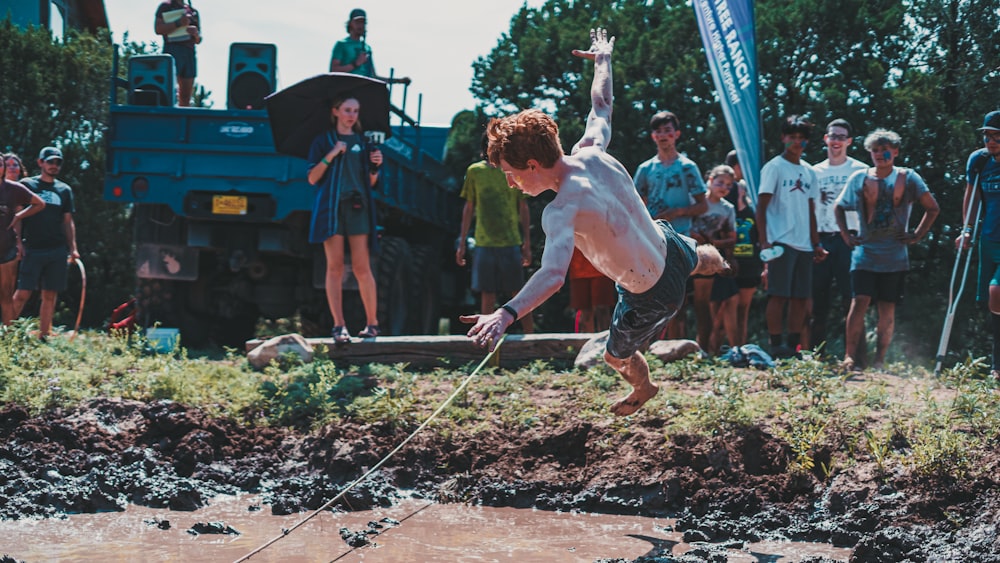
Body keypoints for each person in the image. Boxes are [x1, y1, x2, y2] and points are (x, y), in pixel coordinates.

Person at [462, 28, 728, 416]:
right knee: (697, 259)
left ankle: (645, 387)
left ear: (533, 165)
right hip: (668, 244)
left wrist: (506, 313)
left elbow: (553, 276)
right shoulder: (591, 151)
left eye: (511, 172)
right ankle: (719, 262)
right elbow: (601, 105)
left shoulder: (561, 210)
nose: (510, 182)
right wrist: (603, 60)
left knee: (615, 357)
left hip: (650, 294)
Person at [835, 129, 939, 370]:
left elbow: (932, 208)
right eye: (875, 150)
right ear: (869, 152)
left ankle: (879, 361)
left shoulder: (909, 178)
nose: (880, 155)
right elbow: (839, 207)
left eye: (885, 150)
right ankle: (849, 357)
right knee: (858, 301)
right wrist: (845, 234)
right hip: (865, 253)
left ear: (895, 151)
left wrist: (916, 235)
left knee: (886, 307)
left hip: (895, 256)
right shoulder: (859, 178)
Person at [306, 97, 383, 342]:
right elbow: (311, 178)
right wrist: (332, 153)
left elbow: (371, 183)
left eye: (356, 111)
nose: (352, 115)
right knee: (335, 267)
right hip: (331, 209)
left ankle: (372, 324)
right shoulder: (323, 141)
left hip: (358, 207)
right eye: (347, 110)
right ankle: (339, 326)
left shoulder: (364, 142)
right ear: (336, 111)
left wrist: (375, 167)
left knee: (362, 267)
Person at [633, 111, 708, 339]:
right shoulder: (645, 169)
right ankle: (654, 345)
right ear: (653, 136)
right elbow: (636, 204)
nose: (664, 135)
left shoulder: (687, 167)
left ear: (677, 134)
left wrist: (679, 212)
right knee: (651, 293)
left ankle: (680, 344)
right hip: (652, 239)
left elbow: (702, 205)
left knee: (679, 296)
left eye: (668, 130)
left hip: (680, 238)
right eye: (659, 131)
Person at [756, 115, 826, 358]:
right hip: (780, 241)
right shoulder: (774, 167)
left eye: (801, 138)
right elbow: (761, 206)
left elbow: (811, 210)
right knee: (779, 295)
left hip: (805, 244)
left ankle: (794, 347)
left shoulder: (809, 171)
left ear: (806, 142)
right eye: (791, 137)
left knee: (800, 298)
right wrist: (764, 240)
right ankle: (776, 345)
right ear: (783, 138)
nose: (796, 142)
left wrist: (816, 242)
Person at [456, 134, 534, 333]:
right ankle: (486, 340)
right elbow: (469, 206)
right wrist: (462, 242)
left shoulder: (512, 170)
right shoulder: (475, 172)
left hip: (511, 240)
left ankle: (531, 341)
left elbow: (522, 206)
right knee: (487, 293)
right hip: (484, 241)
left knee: (518, 293)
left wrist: (527, 243)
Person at [808, 119, 869, 355]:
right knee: (817, 302)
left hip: (851, 240)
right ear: (825, 139)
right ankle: (816, 355)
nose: (836, 141)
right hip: (821, 239)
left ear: (849, 142)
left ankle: (856, 356)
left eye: (841, 137)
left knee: (853, 300)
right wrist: (813, 242)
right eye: (832, 136)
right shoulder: (814, 171)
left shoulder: (861, 170)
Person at [11, 147, 79, 339]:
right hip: (32, 248)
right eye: (50, 162)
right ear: (40, 163)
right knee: (23, 292)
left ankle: (44, 334)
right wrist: (18, 243)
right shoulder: (27, 185)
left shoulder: (64, 190)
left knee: (50, 294)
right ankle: (6, 333)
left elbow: (67, 221)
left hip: (57, 250)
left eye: (58, 162)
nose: (54, 166)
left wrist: (73, 248)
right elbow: (18, 215)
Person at [957, 111, 1000, 379]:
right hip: (989, 238)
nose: (990, 140)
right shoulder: (980, 161)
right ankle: (997, 366)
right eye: (987, 134)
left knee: (996, 292)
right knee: (993, 304)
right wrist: (967, 230)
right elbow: (971, 197)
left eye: (996, 135)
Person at [689, 165, 737, 354]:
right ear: (709, 181)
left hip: (708, 260)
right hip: (688, 253)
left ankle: (703, 348)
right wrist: (693, 235)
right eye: (720, 182)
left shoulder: (728, 209)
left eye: (728, 185)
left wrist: (715, 242)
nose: (723, 187)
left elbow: (732, 237)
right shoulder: (694, 201)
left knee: (703, 305)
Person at [0, 156, 46, 325]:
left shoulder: (14, 189)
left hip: (7, 249)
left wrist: (18, 216)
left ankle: (8, 338)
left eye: (0, 164)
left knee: (6, 295)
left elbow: (39, 203)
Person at [726, 151, 762, 346]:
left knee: (743, 308)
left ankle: (742, 347)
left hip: (750, 261)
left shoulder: (753, 194)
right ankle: (724, 349)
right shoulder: (723, 192)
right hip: (729, 261)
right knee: (725, 308)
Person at [329, 9, 410, 85]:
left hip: (363, 89)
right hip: (345, 88)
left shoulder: (367, 49)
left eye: (363, 23)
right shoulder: (342, 44)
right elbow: (333, 71)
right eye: (357, 22)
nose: (360, 25)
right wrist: (355, 64)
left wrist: (398, 81)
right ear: (350, 23)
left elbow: (373, 77)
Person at [153, 0, 201, 107]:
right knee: (168, 90)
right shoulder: (166, 6)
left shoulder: (193, 11)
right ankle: (166, 118)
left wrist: (195, 34)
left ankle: (182, 119)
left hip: (189, 52)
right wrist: (178, 23)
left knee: (186, 95)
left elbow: (199, 40)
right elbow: (158, 29)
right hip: (172, 49)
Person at [568, 248, 615, 333]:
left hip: (601, 267)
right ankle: (584, 343)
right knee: (584, 311)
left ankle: (606, 343)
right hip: (577, 268)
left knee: (602, 309)